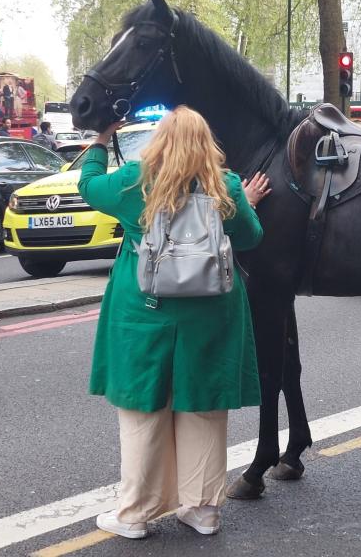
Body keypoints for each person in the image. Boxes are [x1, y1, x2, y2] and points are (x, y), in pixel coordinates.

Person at [77, 106, 269, 539]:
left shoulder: (134, 183)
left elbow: (88, 185)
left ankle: (134, 515)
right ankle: (203, 511)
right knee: (202, 406)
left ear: (159, 142)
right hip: (211, 314)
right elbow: (251, 238)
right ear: (207, 143)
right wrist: (246, 205)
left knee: (143, 406)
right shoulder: (228, 187)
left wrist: (103, 140)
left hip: (145, 310)